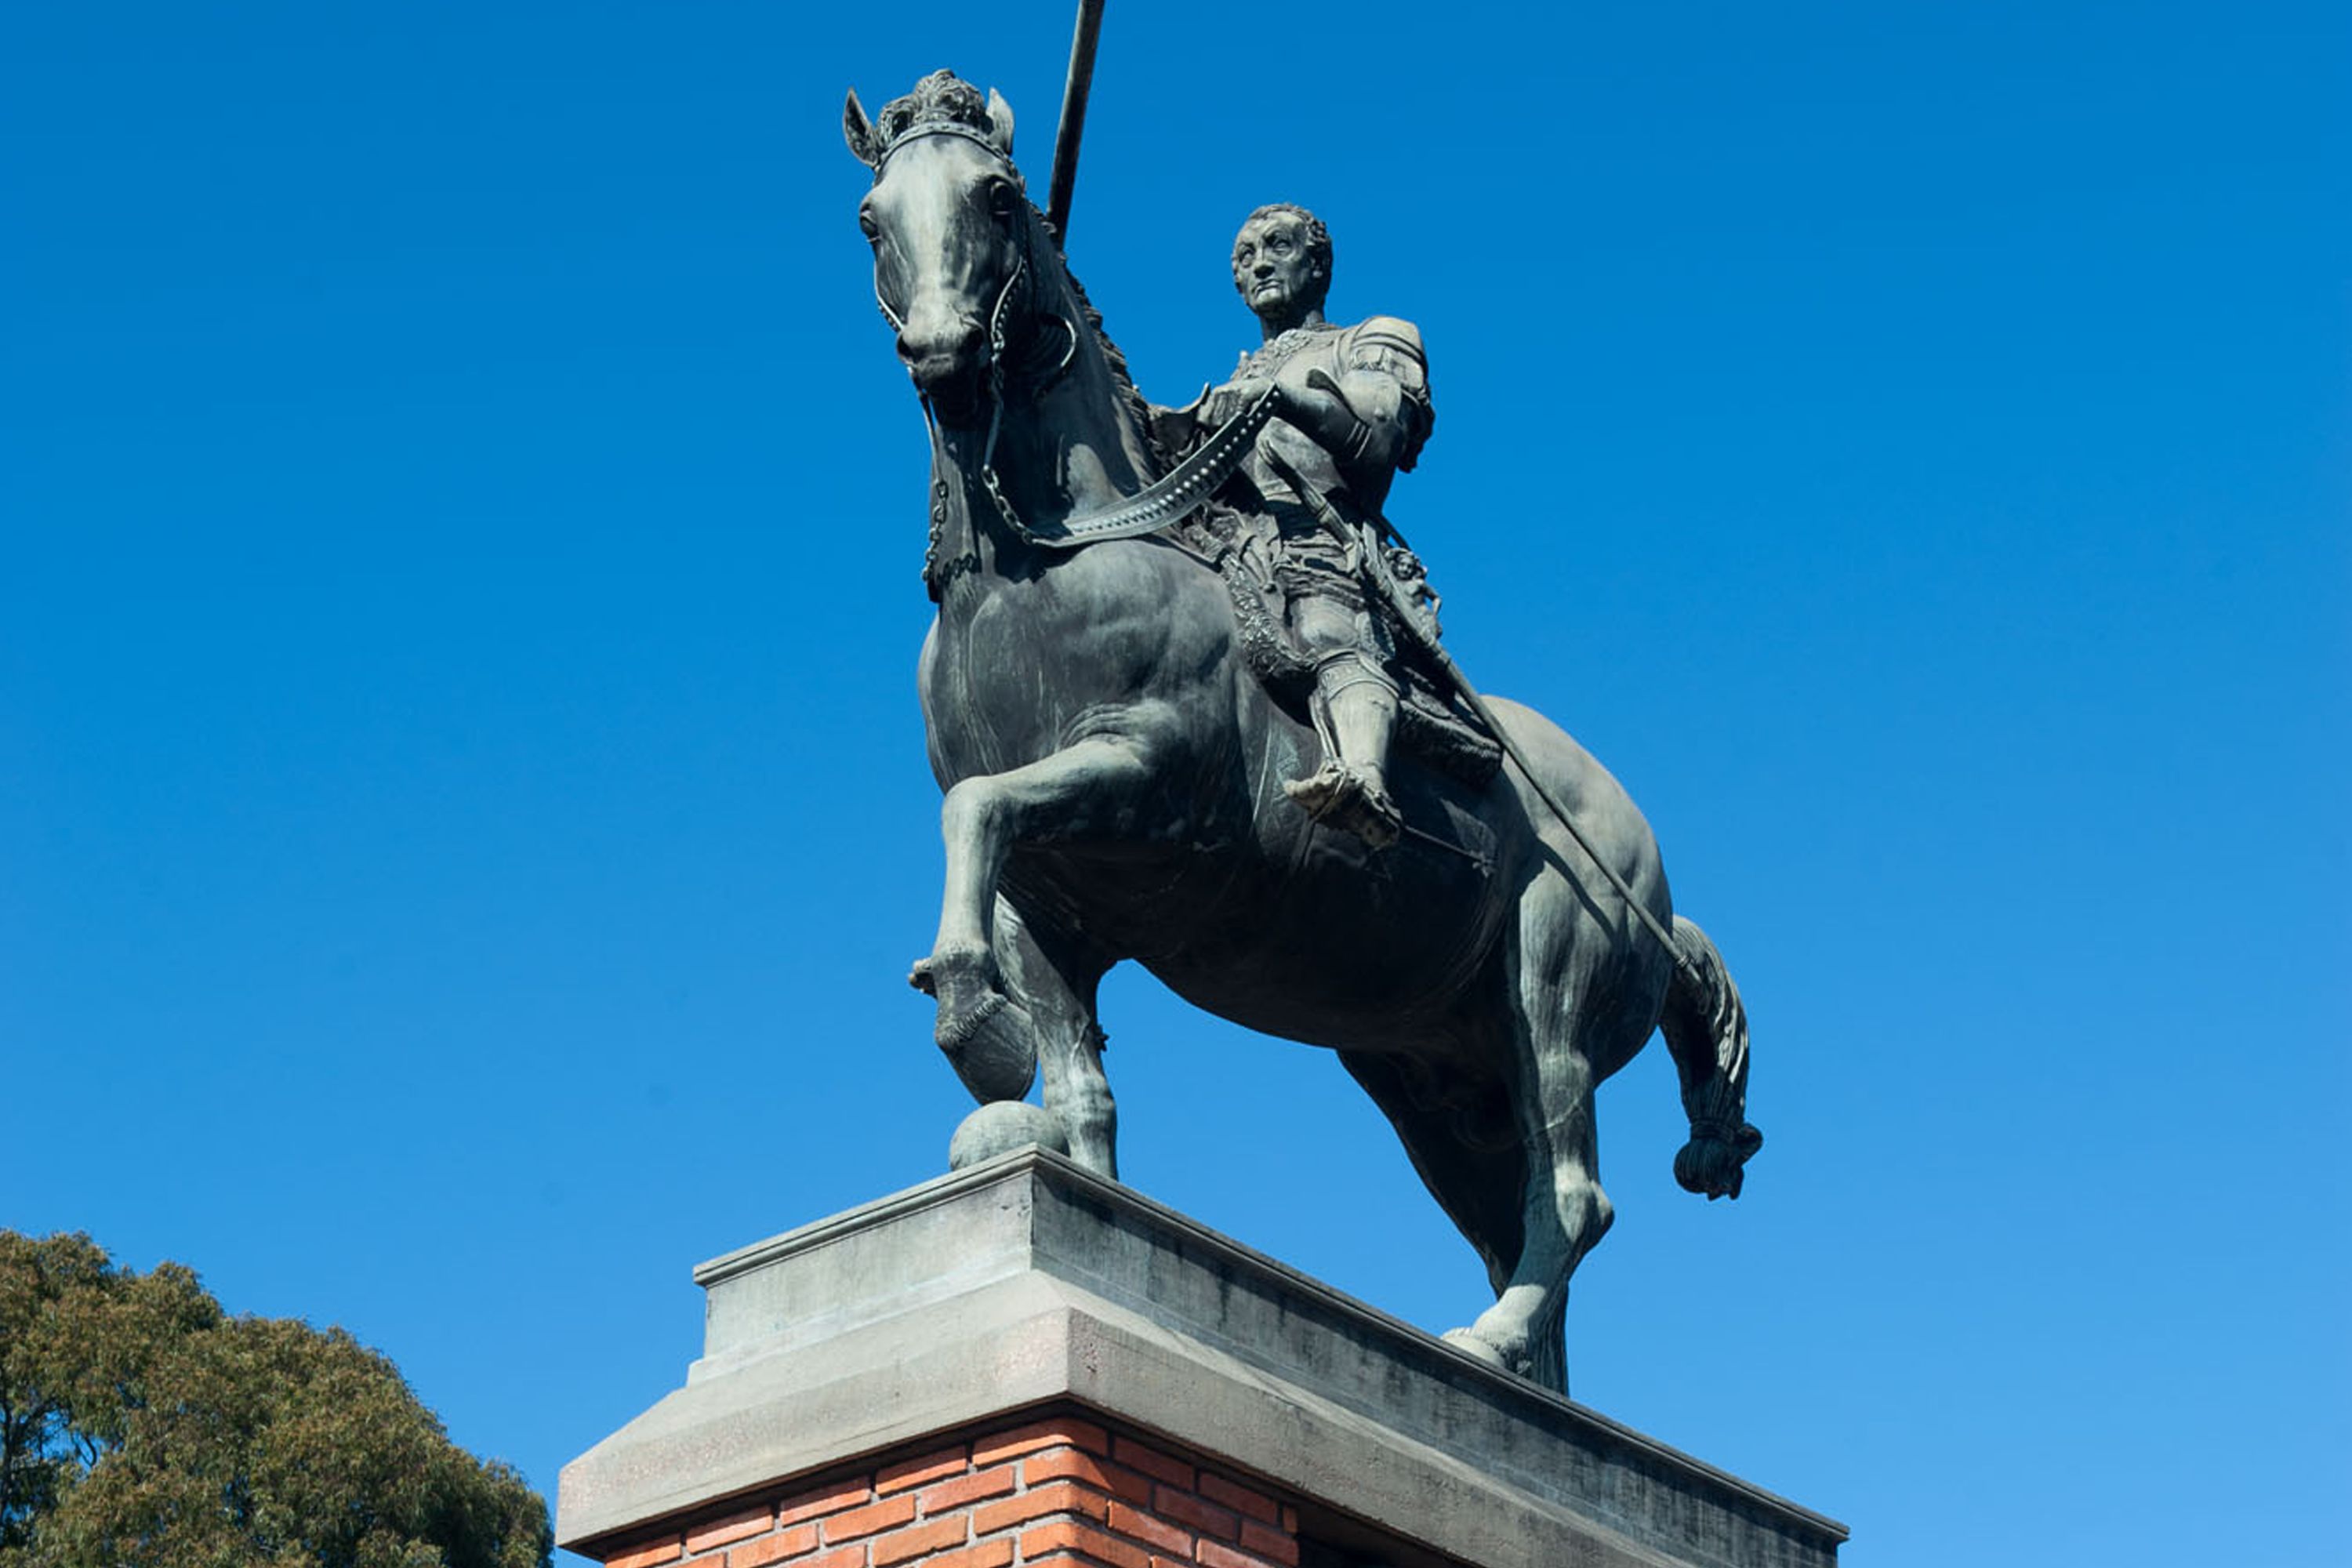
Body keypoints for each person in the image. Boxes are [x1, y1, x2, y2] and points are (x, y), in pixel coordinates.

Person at [1174, 203, 1435, 848]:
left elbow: (1378, 437)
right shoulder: (1239, 373)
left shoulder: (1374, 338)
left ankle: (1366, 781)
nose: (1258, 262)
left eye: (1277, 246)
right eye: (1244, 256)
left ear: (1317, 264)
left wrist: (1285, 399)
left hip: (1324, 543)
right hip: (1231, 547)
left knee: (1326, 629)